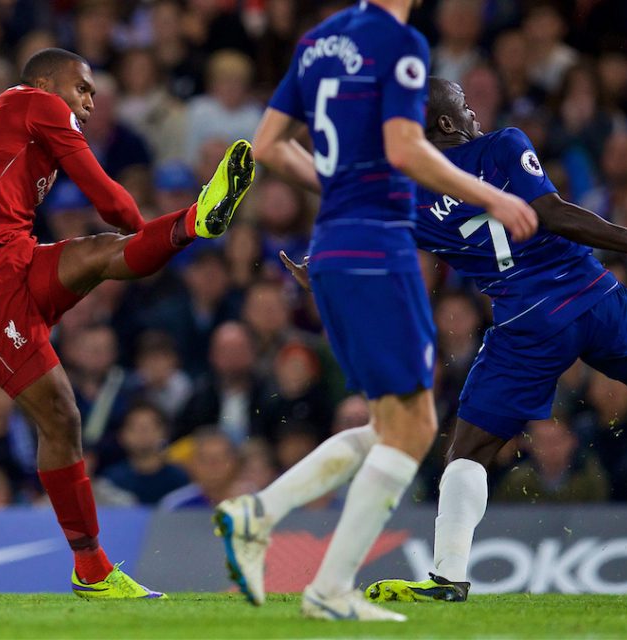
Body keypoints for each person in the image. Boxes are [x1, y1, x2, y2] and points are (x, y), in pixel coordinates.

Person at [280, 78, 627, 604]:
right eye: (465, 107)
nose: (475, 114)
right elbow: (553, 213)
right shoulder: (502, 146)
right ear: (448, 125)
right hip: (593, 296)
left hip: (527, 323)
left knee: (470, 450)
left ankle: (449, 577)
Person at [213, 0, 537, 621]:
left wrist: (342, 193)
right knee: (414, 428)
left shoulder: (317, 43)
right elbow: (406, 148)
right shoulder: (400, 42)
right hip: (376, 248)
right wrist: (490, 195)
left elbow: (269, 146)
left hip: (333, 244)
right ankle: (326, 586)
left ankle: (261, 518)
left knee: (395, 423)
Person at [0, 48, 254, 599]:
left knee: (101, 255)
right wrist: (146, 233)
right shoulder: (36, 104)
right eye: (83, 88)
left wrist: (144, 241)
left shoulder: (9, 123)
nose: (91, 100)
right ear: (47, 82)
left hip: (12, 259)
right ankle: (92, 568)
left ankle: (196, 218)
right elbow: (106, 196)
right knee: (61, 414)